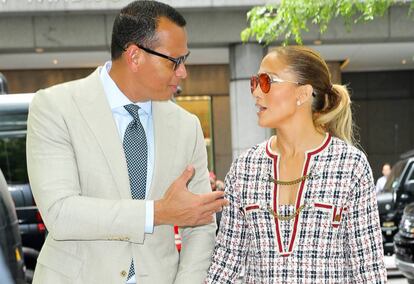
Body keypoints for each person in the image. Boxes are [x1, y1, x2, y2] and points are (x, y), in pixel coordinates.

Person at [26, 1, 227, 283]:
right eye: (174, 61)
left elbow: (201, 224)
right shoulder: (55, 107)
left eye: (185, 59)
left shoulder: (186, 126)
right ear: (134, 56)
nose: (183, 72)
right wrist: (155, 213)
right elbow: (61, 212)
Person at [206, 46, 386, 283]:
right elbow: (225, 265)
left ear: (302, 94)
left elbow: (368, 271)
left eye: (266, 81)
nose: (256, 92)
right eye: (254, 82)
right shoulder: (244, 169)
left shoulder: (350, 166)